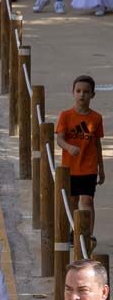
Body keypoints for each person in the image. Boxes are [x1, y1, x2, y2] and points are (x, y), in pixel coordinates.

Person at [57, 75, 106, 231]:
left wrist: (101, 169)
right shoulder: (65, 116)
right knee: (72, 201)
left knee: (87, 201)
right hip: (69, 168)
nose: (82, 94)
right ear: (73, 93)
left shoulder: (96, 118)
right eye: (78, 91)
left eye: (86, 91)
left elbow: (97, 144)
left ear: (92, 94)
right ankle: (74, 230)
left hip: (88, 167)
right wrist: (69, 147)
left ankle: (88, 234)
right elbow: (59, 139)